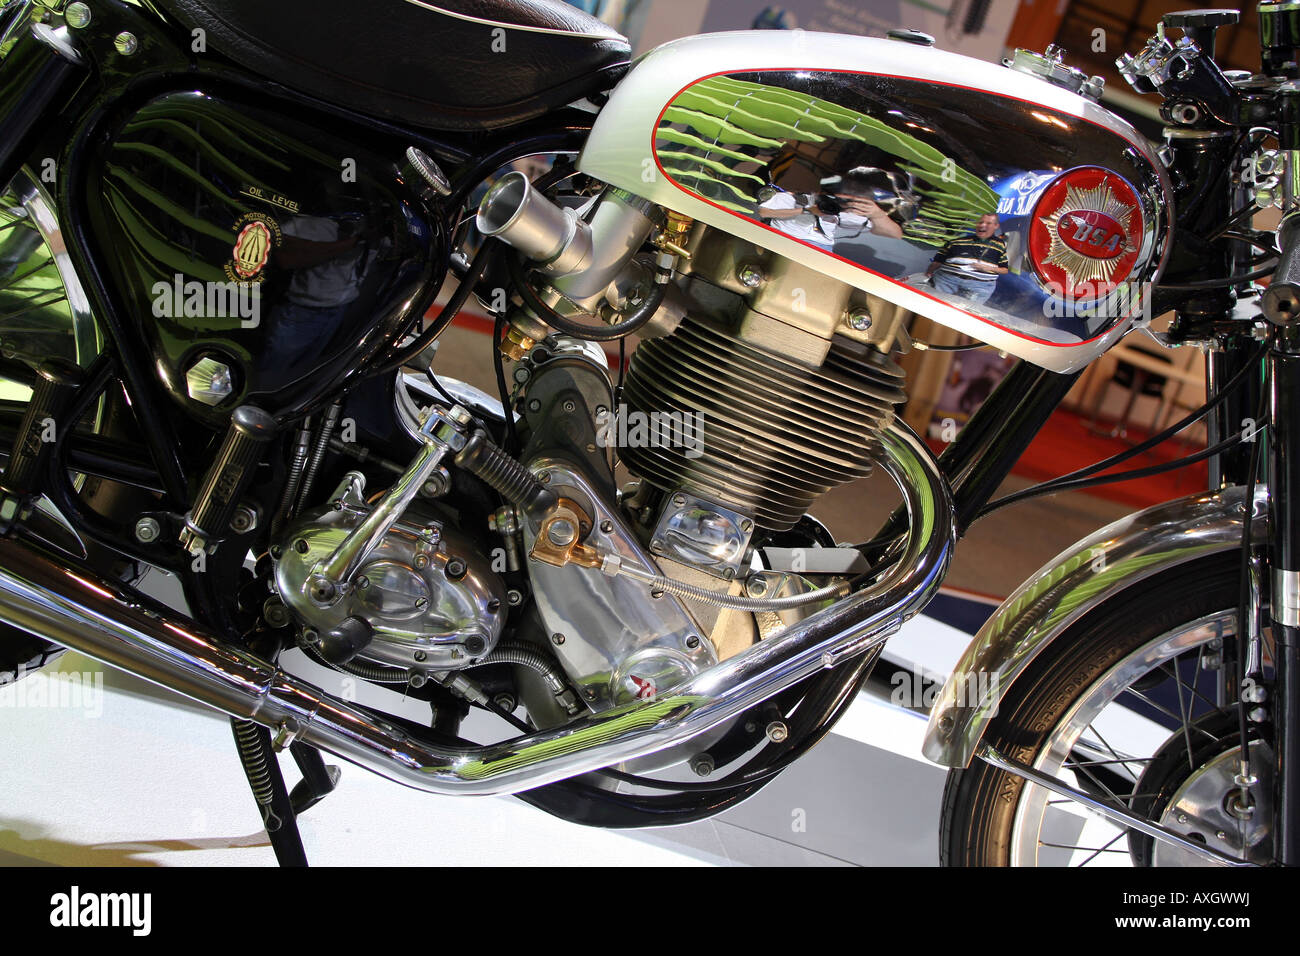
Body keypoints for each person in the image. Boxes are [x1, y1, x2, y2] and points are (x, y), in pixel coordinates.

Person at [758, 168, 904, 249]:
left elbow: (896, 234)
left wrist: (877, 215)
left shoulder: (850, 212)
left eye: (851, 197)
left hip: (820, 249)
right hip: (782, 240)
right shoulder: (796, 198)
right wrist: (806, 210)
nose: (842, 199)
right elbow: (764, 213)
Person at [926, 213, 1009, 306]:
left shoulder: (1000, 245)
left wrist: (987, 268)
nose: (983, 225)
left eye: (988, 223)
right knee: (934, 304)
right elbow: (937, 262)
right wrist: (928, 274)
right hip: (947, 280)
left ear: (996, 226)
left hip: (979, 286)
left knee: (966, 310)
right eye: (981, 222)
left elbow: (1004, 270)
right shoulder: (956, 242)